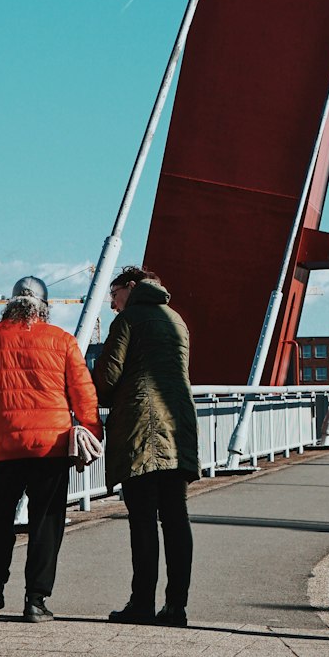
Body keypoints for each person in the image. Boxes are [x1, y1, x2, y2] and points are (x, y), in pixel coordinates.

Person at [0, 274, 101, 623]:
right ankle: (35, 599)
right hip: (50, 447)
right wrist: (93, 435)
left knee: (0, 519)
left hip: (5, 447)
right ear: (45, 307)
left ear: (10, 304)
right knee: (46, 523)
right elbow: (84, 394)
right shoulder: (62, 341)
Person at [94, 265, 199, 628]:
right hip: (179, 425)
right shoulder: (176, 319)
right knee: (175, 517)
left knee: (142, 521)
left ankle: (141, 603)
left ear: (131, 287)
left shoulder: (129, 320)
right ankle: (176, 607)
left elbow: (108, 377)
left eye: (114, 295)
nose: (112, 304)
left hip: (141, 428)